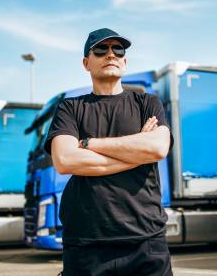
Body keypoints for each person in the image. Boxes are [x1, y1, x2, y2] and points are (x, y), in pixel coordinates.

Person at [45, 28, 173, 276]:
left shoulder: (148, 103)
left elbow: (157, 148)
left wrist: (86, 143)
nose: (111, 54)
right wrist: (136, 153)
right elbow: (64, 160)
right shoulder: (70, 108)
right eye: (101, 49)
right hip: (86, 243)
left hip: (146, 241)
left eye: (118, 50)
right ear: (86, 63)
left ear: (125, 61)